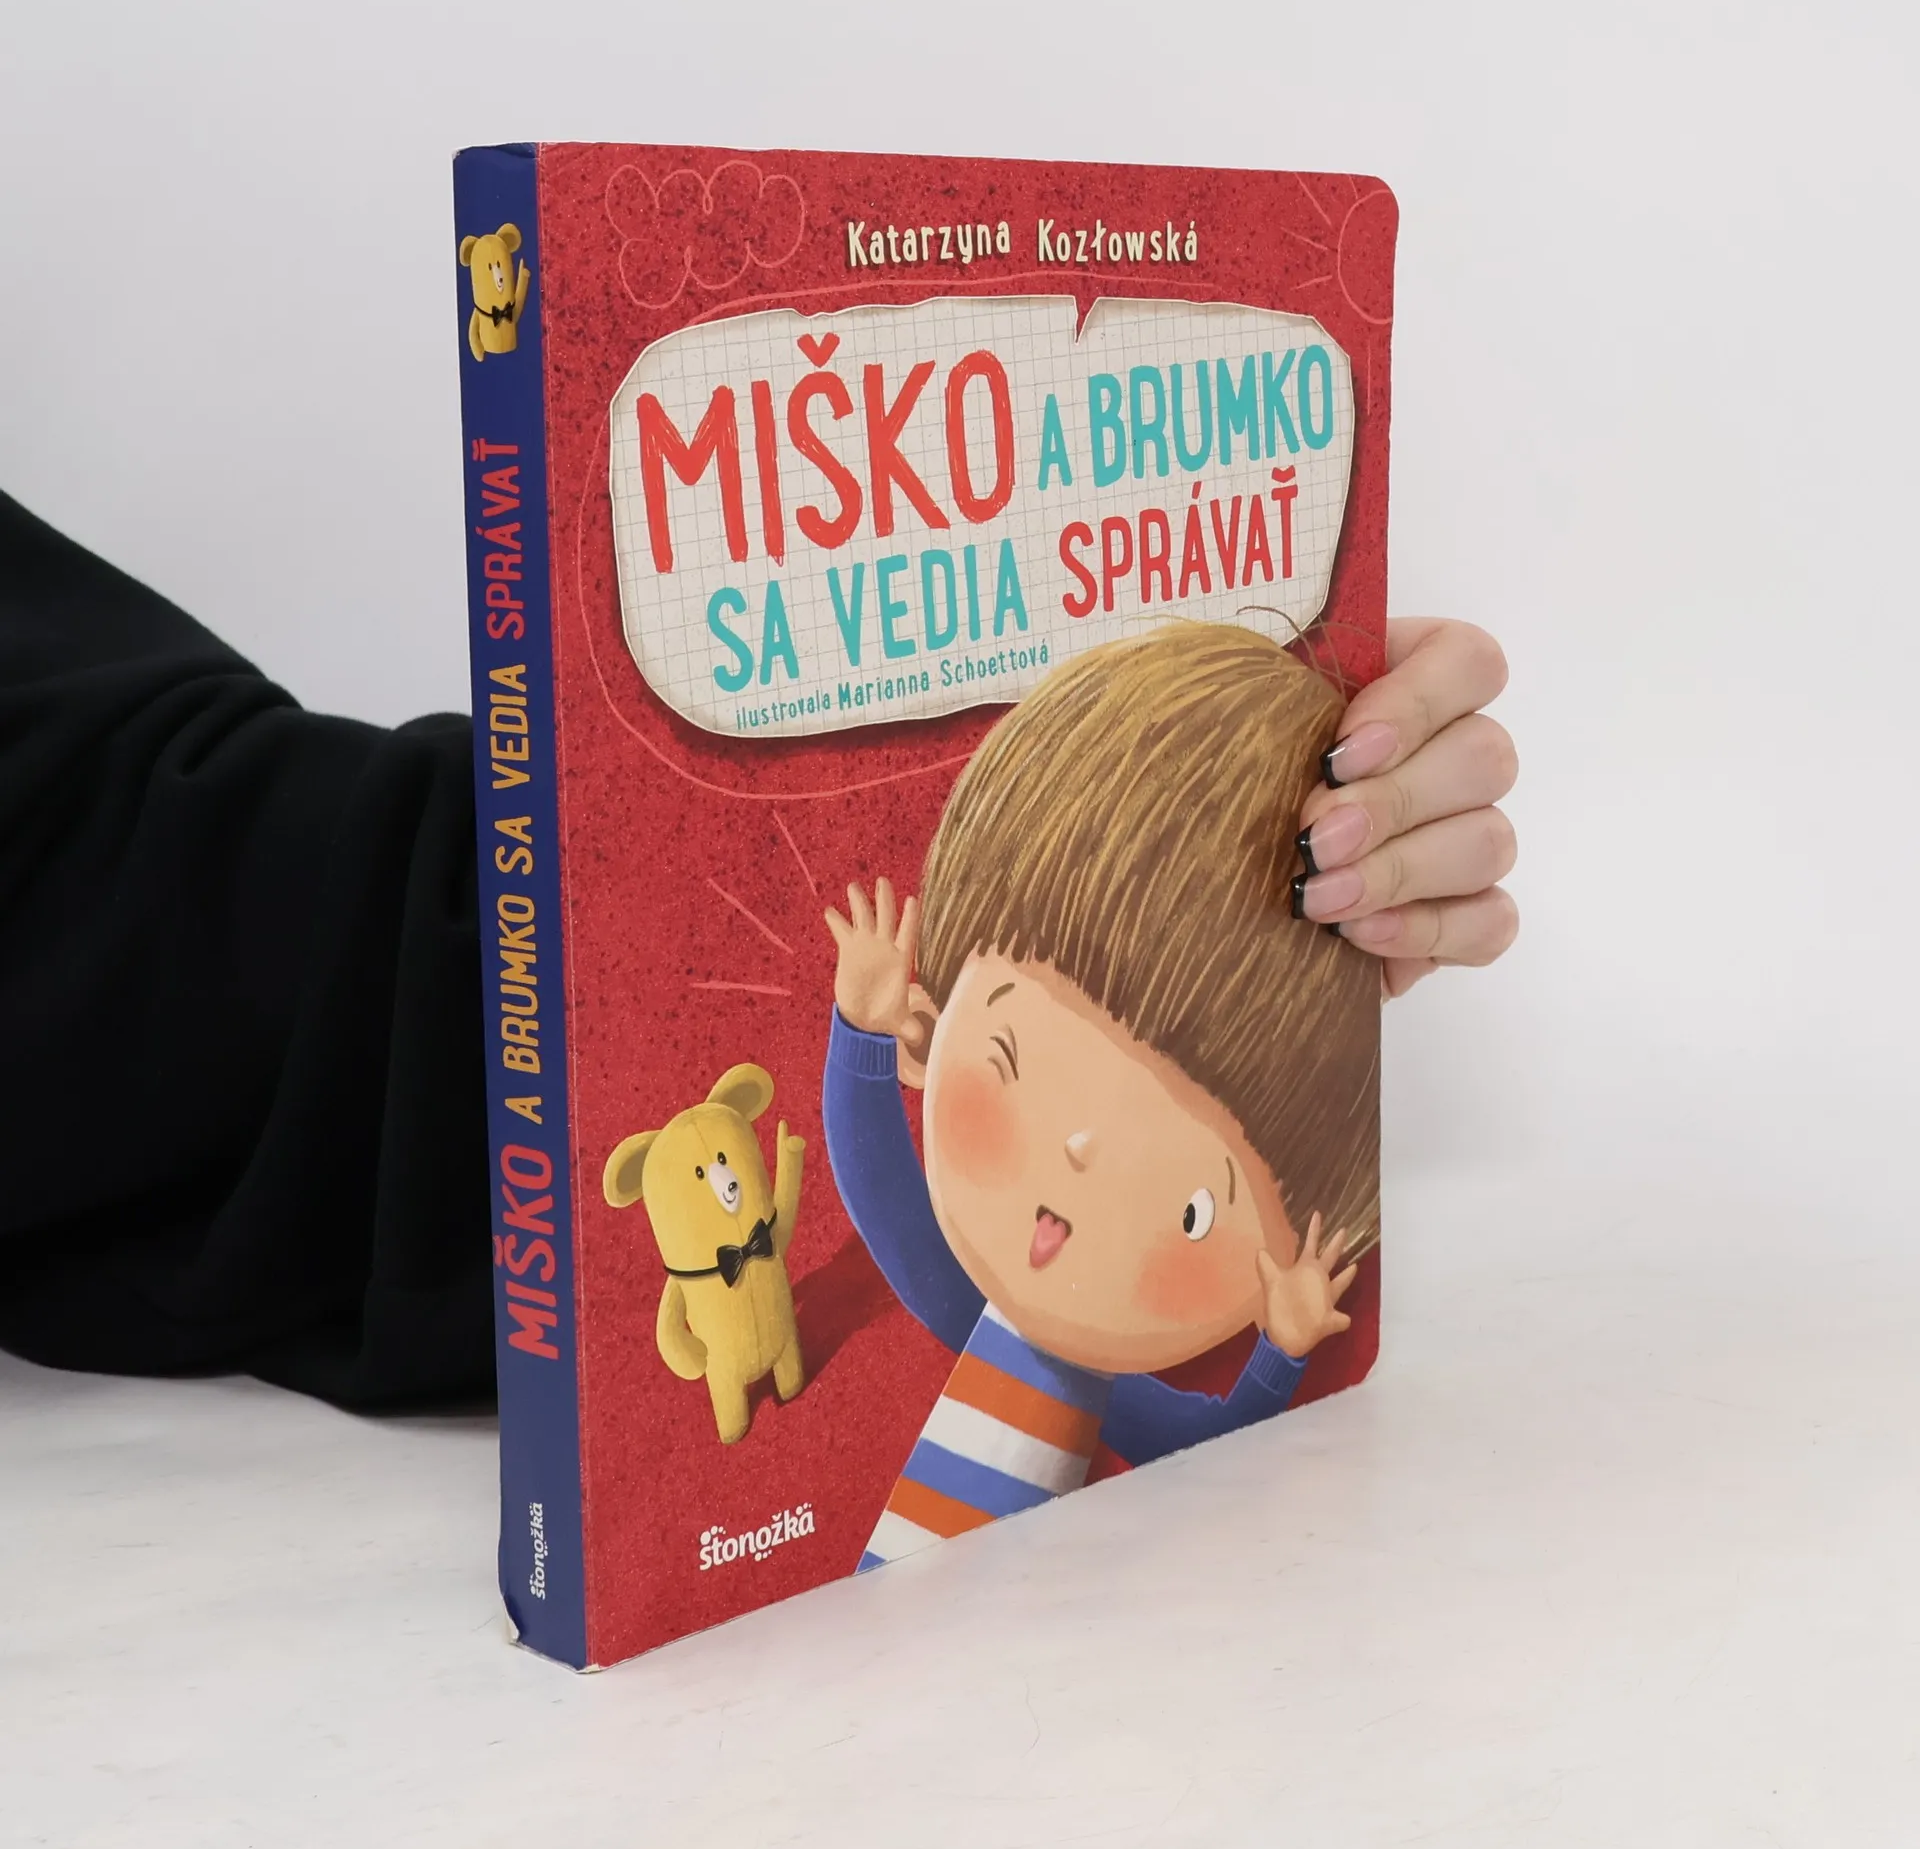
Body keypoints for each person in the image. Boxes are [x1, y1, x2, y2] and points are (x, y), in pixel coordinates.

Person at [0, 489, 1518, 1410]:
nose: (1070, 1167)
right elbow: (875, 1185)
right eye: (1005, 1060)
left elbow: (173, 892)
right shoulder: (950, 1289)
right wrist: (856, 1032)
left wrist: (1253, 865)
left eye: (1193, 1201)